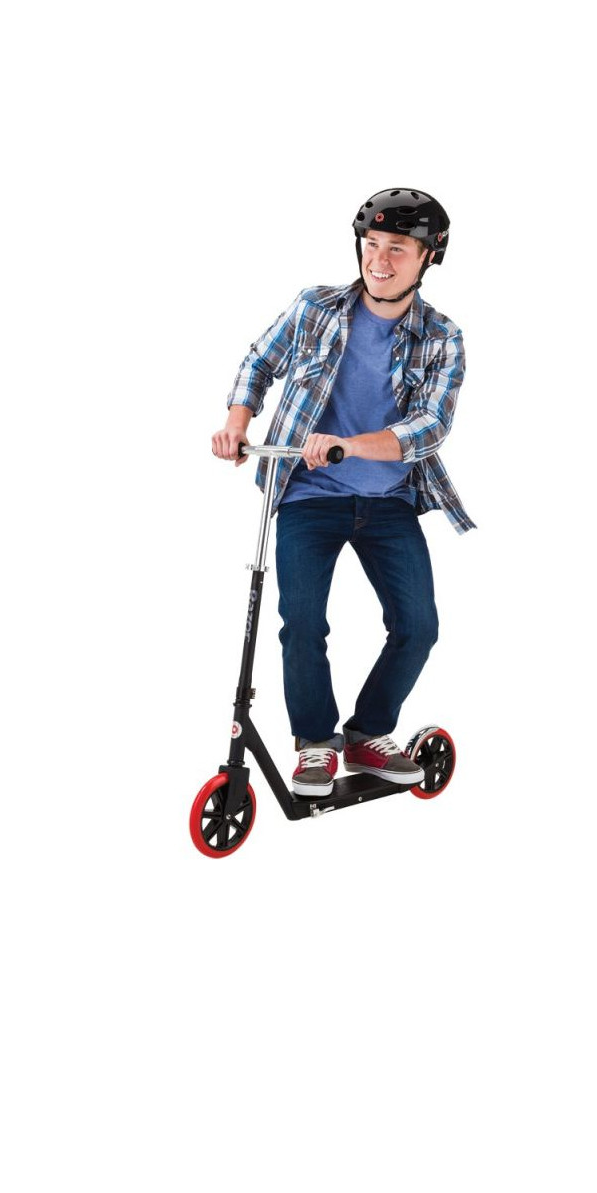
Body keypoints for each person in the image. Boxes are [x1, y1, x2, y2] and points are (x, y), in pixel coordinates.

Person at [211, 188, 474, 798]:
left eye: (397, 248)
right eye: (371, 244)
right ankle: (315, 743)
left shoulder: (442, 337)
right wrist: (236, 423)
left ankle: (368, 734)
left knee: (417, 627)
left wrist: (348, 446)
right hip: (307, 497)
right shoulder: (316, 308)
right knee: (302, 624)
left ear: (429, 256)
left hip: (389, 502)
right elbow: (259, 362)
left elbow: (430, 426)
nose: (379, 260)